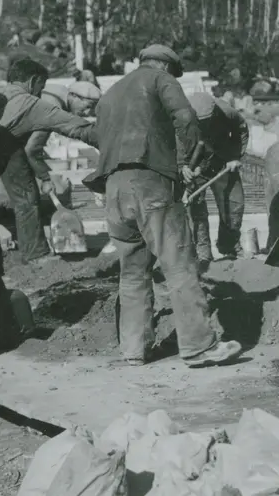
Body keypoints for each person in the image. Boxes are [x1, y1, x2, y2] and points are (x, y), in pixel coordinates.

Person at [84, 43, 242, 368]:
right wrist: (189, 159)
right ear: (167, 67)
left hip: (114, 189)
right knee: (180, 265)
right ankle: (199, 346)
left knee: (131, 272)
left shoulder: (112, 91)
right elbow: (185, 117)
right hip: (149, 183)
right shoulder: (160, 79)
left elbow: (98, 135)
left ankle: (133, 350)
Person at [0, 59, 99, 265]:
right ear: (33, 81)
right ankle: (35, 254)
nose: (40, 92)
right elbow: (65, 130)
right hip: (2, 148)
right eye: (40, 87)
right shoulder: (32, 103)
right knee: (27, 198)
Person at [185, 92, 249, 268]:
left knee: (234, 203)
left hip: (224, 160)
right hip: (194, 162)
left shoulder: (227, 112)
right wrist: (183, 168)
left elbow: (241, 130)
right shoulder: (177, 116)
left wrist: (236, 156)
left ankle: (228, 246)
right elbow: (171, 145)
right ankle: (203, 252)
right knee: (196, 206)